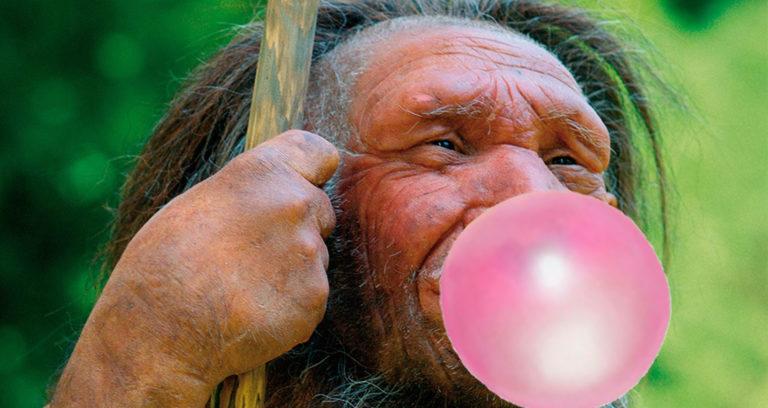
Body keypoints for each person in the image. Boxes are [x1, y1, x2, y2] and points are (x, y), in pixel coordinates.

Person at [49, 1, 667, 406]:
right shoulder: (146, 349)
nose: (537, 195)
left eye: (566, 161)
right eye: (444, 145)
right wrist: (140, 351)